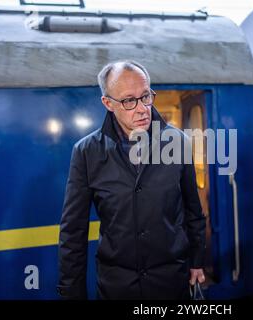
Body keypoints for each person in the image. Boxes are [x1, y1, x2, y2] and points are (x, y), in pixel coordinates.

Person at [57, 60, 206, 300]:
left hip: (170, 282)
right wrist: (70, 292)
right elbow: (73, 231)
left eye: (146, 96)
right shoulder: (87, 152)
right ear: (108, 103)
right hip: (116, 286)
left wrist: (197, 261)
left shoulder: (178, 142)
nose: (142, 108)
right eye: (129, 100)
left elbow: (193, 211)